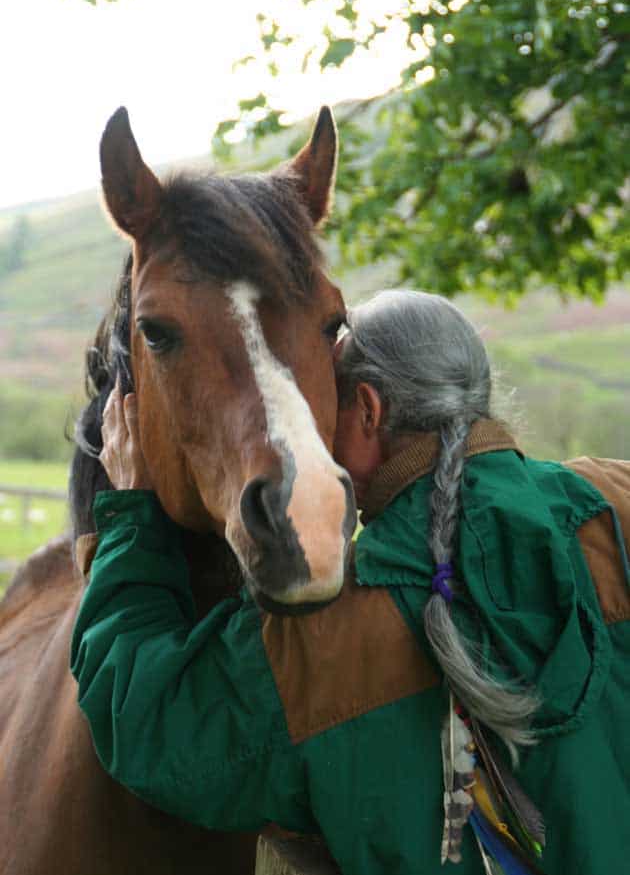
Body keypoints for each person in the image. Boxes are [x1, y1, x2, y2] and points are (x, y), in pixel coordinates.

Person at [71, 289, 630, 875]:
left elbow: (152, 723)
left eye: (325, 404)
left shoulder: (321, 636)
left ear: (367, 410)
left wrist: (130, 519)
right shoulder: (611, 506)